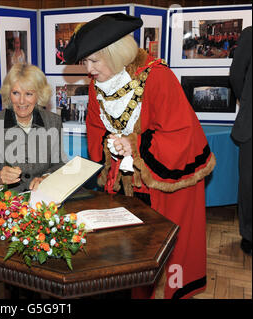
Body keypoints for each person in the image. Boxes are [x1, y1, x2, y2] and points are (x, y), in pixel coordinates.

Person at [64, 13, 216, 299]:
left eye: (94, 61)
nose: (89, 69)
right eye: (85, 62)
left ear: (115, 54)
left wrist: (133, 144)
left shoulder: (158, 76)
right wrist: (110, 144)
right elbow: (97, 125)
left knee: (164, 246)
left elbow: (180, 133)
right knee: (128, 247)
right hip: (124, 178)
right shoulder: (101, 83)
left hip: (163, 177)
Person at [0, 63, 68, 210]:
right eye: (16, 93)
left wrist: (47, 178)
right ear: (9, 94)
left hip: (41, 205)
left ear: (39, 95)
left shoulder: (53, 122)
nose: (21, 101)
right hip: (0, 206)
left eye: (29, 94)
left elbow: (59, 164)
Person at [229, 26, 252, 256]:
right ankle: (249, 235)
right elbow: (236, 74)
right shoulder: (250, 35)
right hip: (251, 125)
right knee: (249, 182)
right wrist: (246, 100)